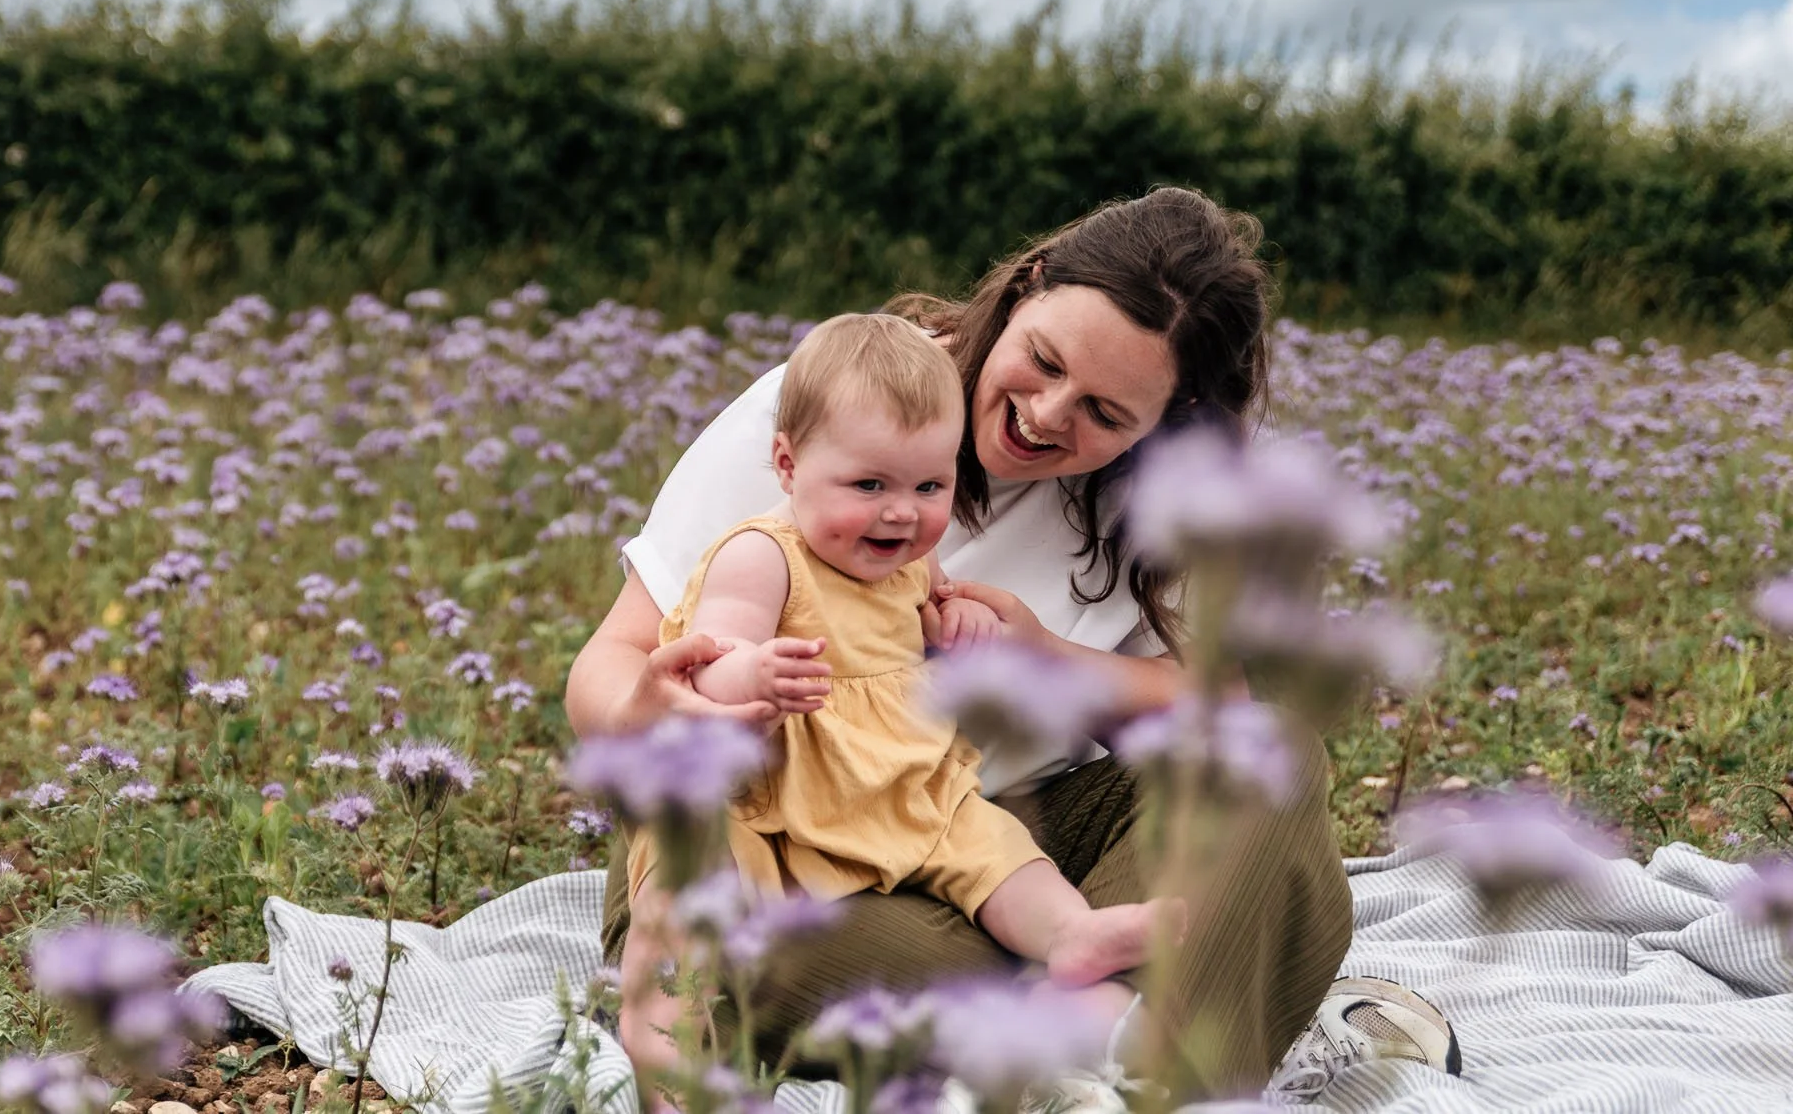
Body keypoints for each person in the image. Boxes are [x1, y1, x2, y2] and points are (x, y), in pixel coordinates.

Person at [567, 187, 1393, 1098]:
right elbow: (609, 662)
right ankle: (1154, 1025)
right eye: (1043, 361)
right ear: (1028, 285)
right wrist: (651, 705)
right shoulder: (840, 399)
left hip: (1000, 840)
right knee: (800, 954)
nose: (1046, 414)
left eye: (1106, 414)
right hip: (779, 843)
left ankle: (1114, 1012)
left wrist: (1044, 657)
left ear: (1171, 416)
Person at [614, 313, 1184, 1092]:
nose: (902, 512)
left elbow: (928, 618)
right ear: (788, 463)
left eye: (929, 486)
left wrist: (967, 621)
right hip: (764, 800)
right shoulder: (761, 555)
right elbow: (705, 664)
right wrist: (752, 675)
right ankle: (665, 1059)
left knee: (992, 844)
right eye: (869, 485)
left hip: (893, 784)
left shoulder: (913, 561)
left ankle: (1072, 933)